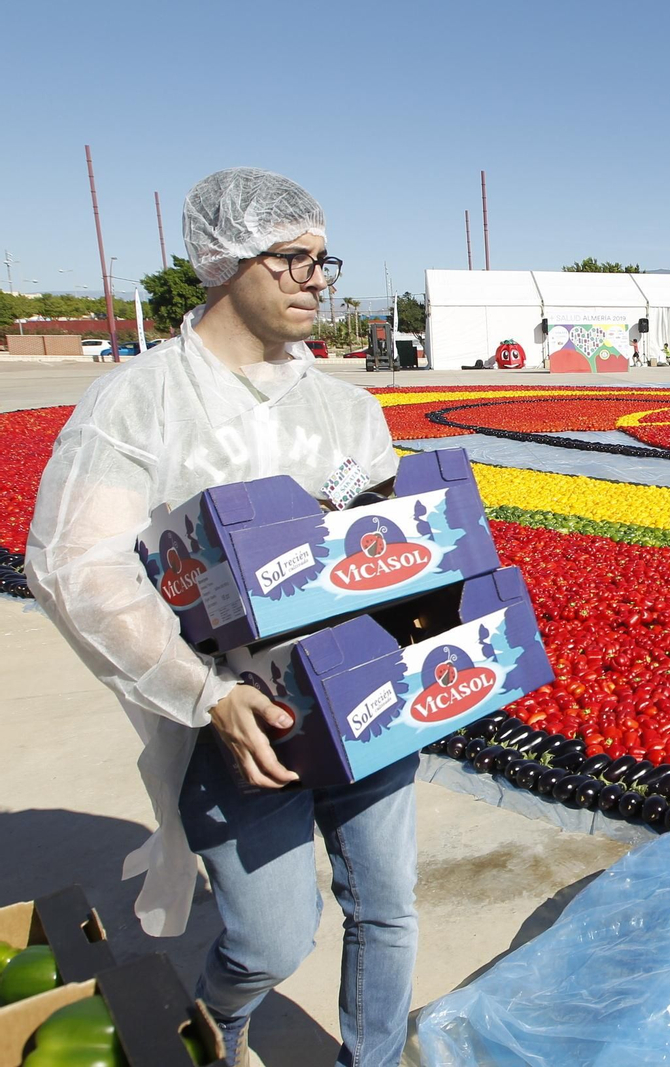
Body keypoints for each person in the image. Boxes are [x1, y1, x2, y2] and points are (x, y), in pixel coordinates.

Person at [25, 168, 415, 1067]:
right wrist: (206, 694)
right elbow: (75, 565)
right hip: (240, 716)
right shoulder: (143, 400)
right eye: (293, 259)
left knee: (389, 909)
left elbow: (384, 544)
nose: (319, 279)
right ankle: (220, 1019)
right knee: (273, 940)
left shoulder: (345, 406)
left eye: (324, 259)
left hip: (362, 696)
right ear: (225, 262)